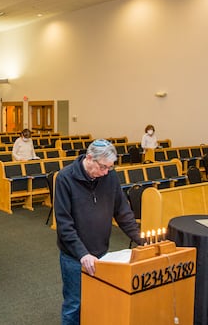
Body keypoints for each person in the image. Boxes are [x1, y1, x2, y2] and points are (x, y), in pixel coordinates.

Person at [54, 139, 143, 325]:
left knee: (98, 300)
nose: (105, 172)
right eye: (103, 167)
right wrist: (82, 253)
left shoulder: (109, 176)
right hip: (74, 257)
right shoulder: (65, 178)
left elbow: (122, 212)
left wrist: (141, 240)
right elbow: (64, 225)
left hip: (102, 253)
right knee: (75, 305)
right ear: (89, 158)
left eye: (109, 168)